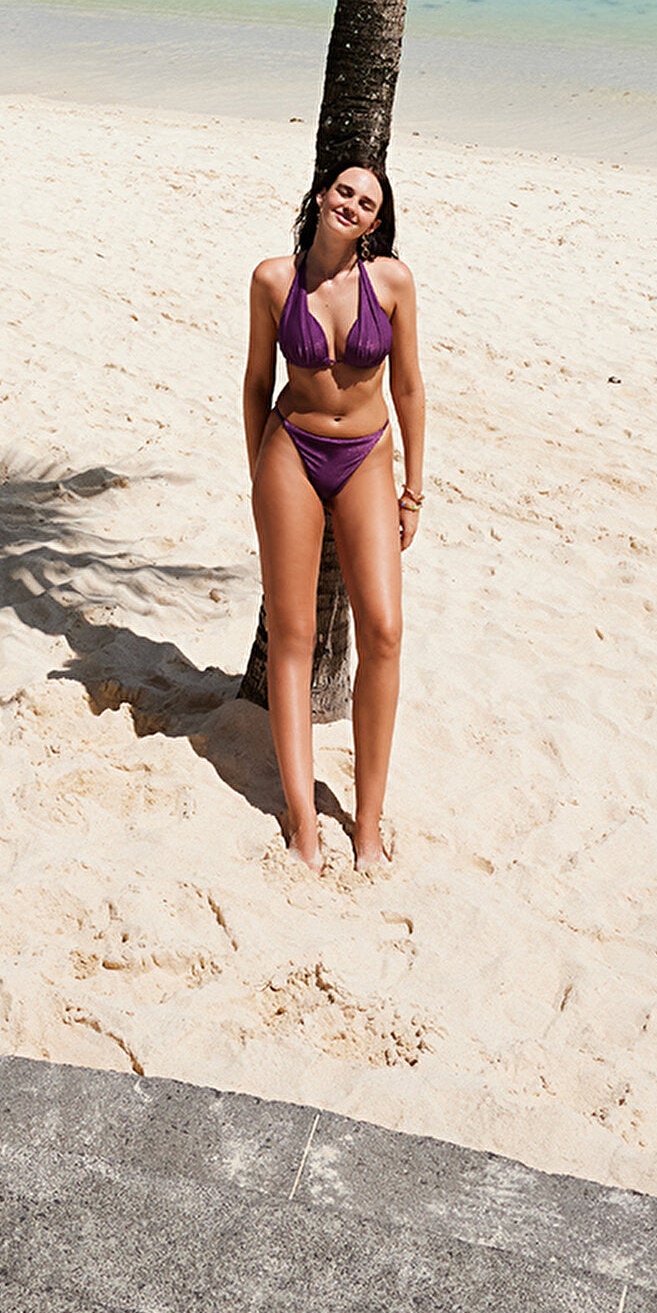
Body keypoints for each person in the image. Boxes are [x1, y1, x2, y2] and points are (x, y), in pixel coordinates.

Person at [242, 160, 426, 871]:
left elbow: (408, 386)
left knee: (383, 628)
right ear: (321, 197)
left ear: (376, 222)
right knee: (293, 634)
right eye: (344, 191)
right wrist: (259, 471)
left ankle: (368, 825)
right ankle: (303, 825)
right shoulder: (271, 281)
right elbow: (258, 382)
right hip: (291, 451)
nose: (352, 204)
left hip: (368, 459)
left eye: (367, 201)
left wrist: (414, 488)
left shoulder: (392, 283)